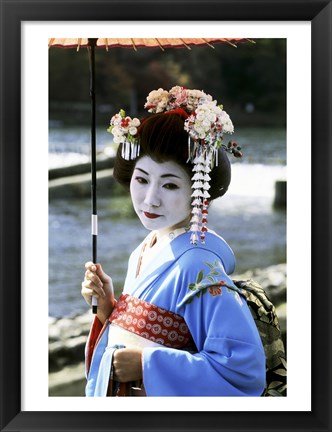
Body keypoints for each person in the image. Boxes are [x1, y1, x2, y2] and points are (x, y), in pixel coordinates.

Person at [81, 86, 266, 397]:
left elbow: (242, 370)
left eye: (169, 184)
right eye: (141, 180)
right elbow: (140, 330)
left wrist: (147, 364)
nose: (150, 199)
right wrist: (108, 310)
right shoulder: (146, 247)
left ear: (199, 190)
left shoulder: (198, 265)